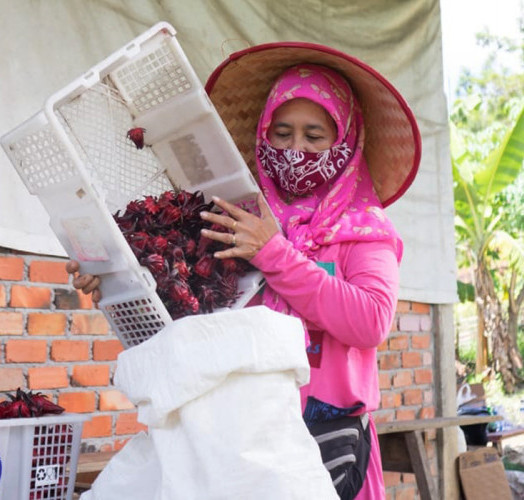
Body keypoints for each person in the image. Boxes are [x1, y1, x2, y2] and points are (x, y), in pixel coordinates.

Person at [68, 42, 421, 500]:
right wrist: (116, 283)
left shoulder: (364, 232)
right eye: (282, 134)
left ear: (346, 143)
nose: (296, 149)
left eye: (315, 137)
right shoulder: (232, 219)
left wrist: (274, 254)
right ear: (263, 136)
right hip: (232, 447)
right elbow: (187, 327)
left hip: (326, 450)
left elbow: (370, 321)